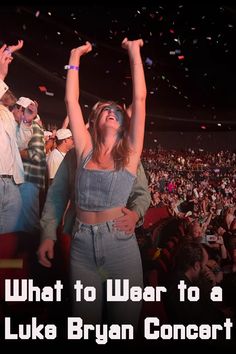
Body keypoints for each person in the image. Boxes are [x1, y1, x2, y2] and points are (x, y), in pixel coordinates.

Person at [63, 38, 146, 328]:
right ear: (96, 121)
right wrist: (75, 56)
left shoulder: (131, 153)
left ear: (125, 123)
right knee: (85, 328)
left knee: (123, 330)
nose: (111, 111)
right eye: (105, 110)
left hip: (120, 247)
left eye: (117, 111)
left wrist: (134, 52)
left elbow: (139, 100)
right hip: (82, 246)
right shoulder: (85, 149)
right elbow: (71, 101)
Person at [0, 41, 38, 234]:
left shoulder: (8, 118)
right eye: (21, 110)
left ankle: (6, 264)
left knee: (8, 237)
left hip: (12, 182)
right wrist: (1, 72)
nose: (21, 113)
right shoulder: (4, 112)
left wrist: (27, 122)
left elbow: (21, 143)